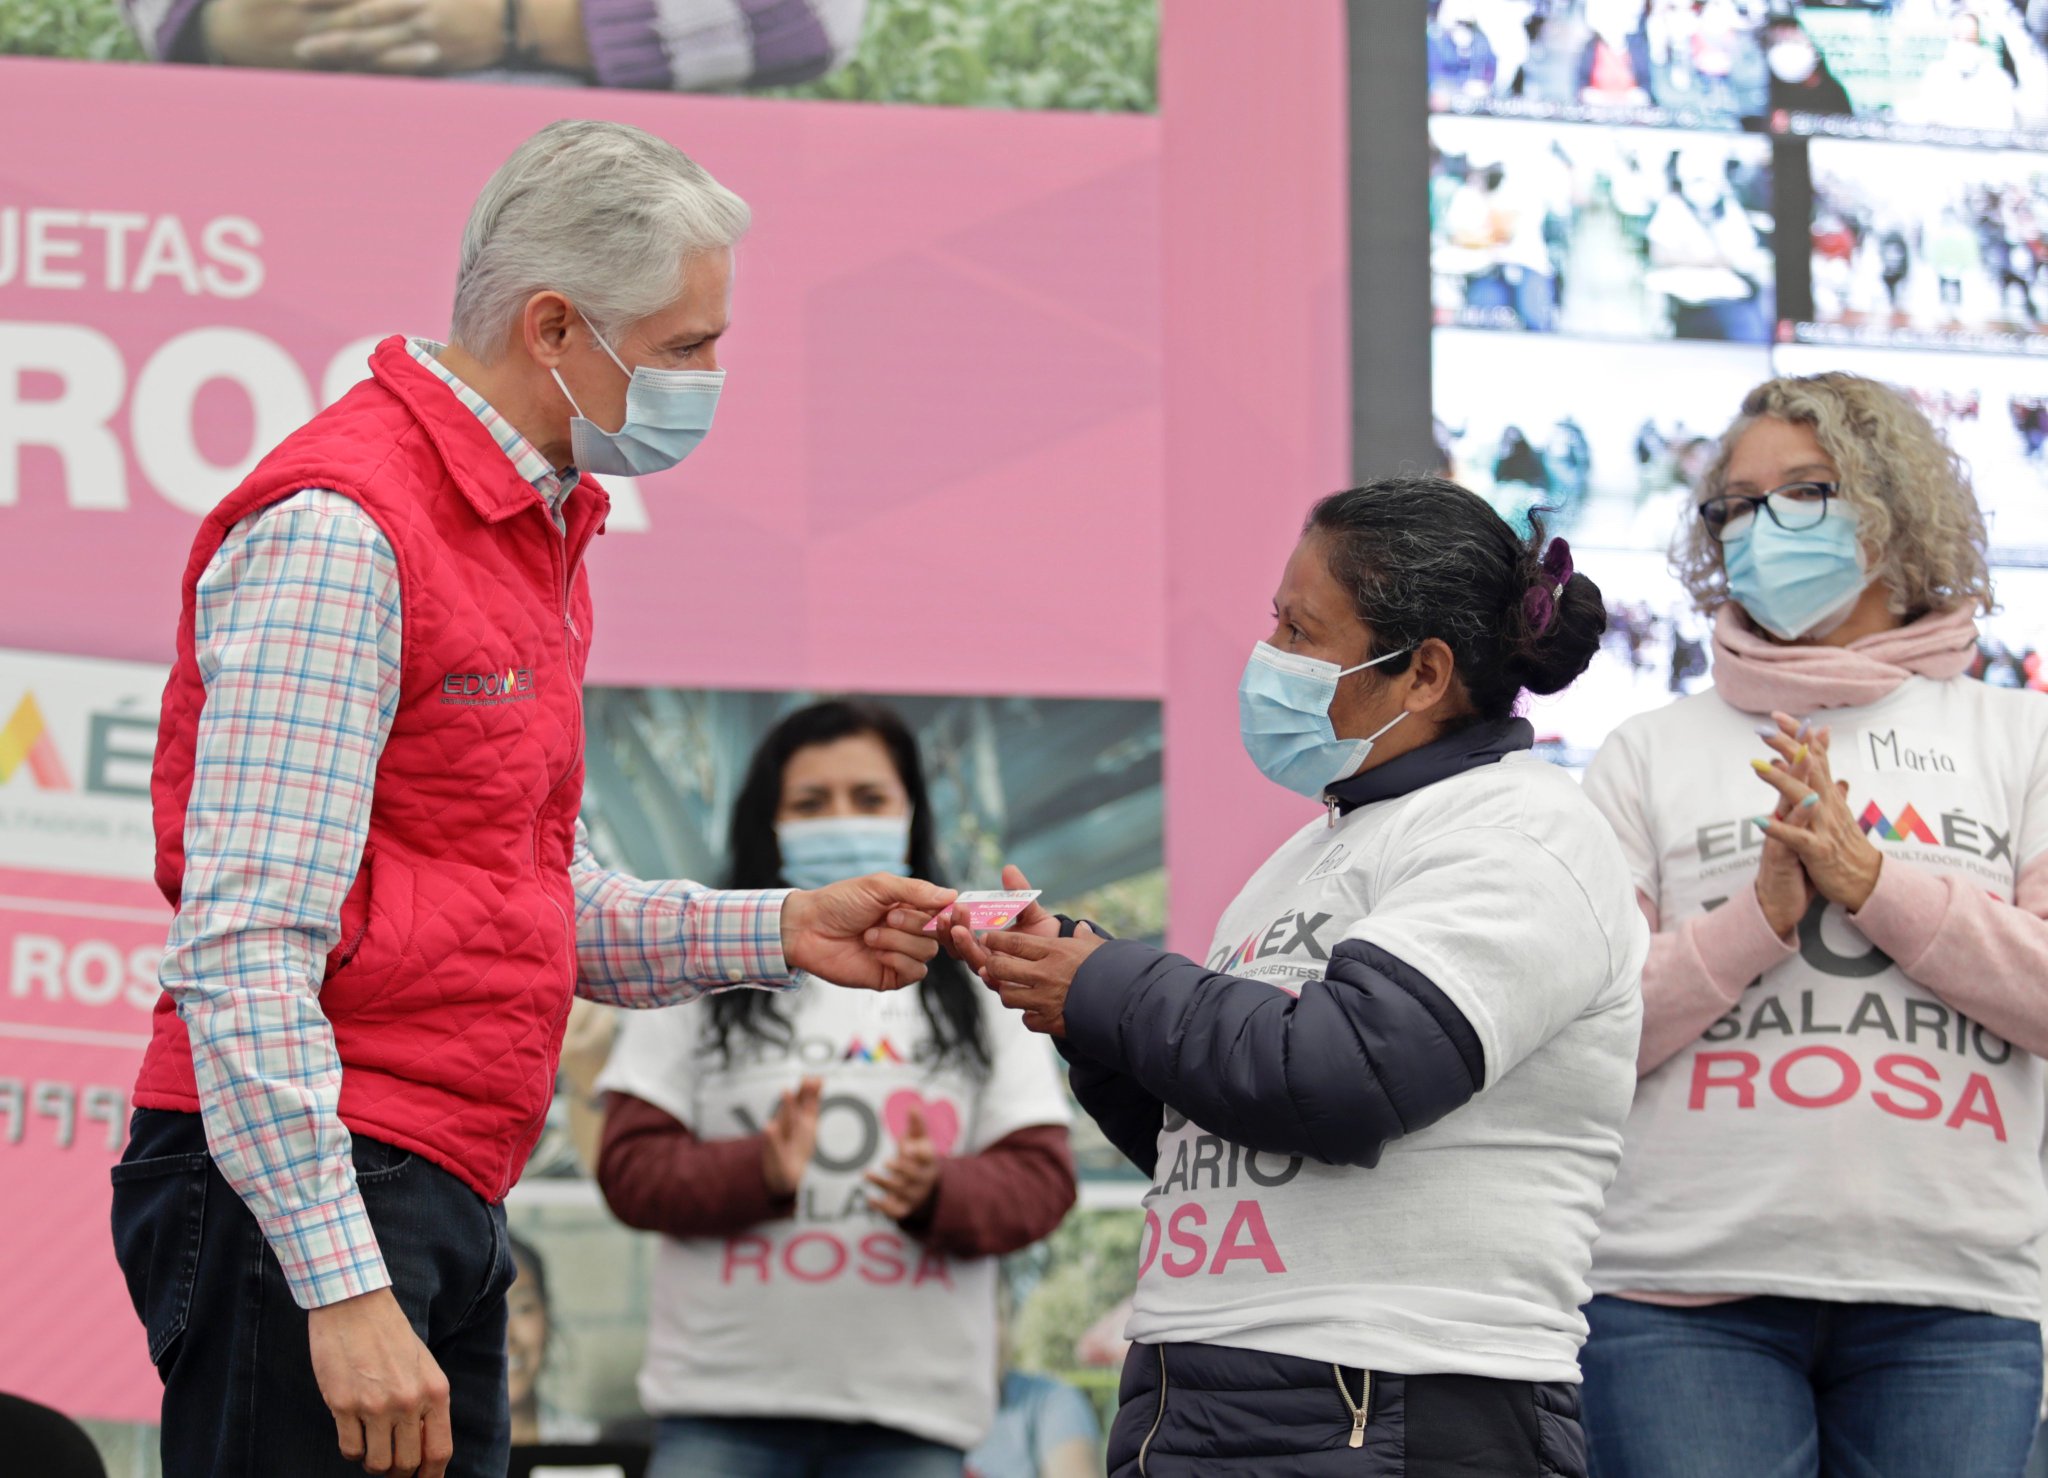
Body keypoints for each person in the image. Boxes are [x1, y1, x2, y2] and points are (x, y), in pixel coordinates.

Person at [109, 122, 956, 1478]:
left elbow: (532, 904)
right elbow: (245, 941)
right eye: (687, 347)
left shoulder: (526, 525)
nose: (711, 379)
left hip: (433, 1175)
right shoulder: (347, 527)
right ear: (555, 326)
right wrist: (341, 1283)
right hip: (325, 1181)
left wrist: (793, 926)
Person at [949, 478, 1649, 1476]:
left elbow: (1341, 1073)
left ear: (1421, 672)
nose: (1266, 652)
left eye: (1297, 626)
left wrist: (1106, 982)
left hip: (1385, 1397)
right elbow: (1216, 1133)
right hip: (1203, 1395)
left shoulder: (1519, 828)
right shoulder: (1309, 851)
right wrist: (1074, 997)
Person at [1577, 372, 2048, 1478]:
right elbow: (1586, 1033)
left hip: (1953, 1293)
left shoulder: (2018, 739)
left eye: (1802, 489)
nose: (1759, 525)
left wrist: (1873, 881)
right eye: (1734, 503)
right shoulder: (1645, 751)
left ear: (1890, 504)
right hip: (1674, 1298)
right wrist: (1758, 918)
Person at [596, 699, 1078, 1478]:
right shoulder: (706, 962)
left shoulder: (970, 974)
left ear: (911, 815)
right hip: (721, 1406)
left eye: (868, 799)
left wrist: (939, 1193)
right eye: (812, 803)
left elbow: (1043, 1180)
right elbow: (629, 1168)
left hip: (913, 1416)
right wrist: (758, 1172)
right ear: (768, 822)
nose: (842, 820)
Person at [119, 0, 863, 91]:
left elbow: (814, 17)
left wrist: (520, 25)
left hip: (600, 208)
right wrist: (212, 23)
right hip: (297, 177)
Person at [1646, 146, 1772, 341]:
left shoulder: (1728, 207)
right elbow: (1659, 254)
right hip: (1691, 302)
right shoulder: (1672, 206)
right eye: (1698, 179)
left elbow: (1744, 249)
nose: (1704, 186)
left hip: (1731, 298)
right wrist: (1706, 260)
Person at [1761, 15, 1855, 116]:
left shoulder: (1833, 92)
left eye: (1793, 41)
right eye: (1778, 42)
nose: (1788, 50)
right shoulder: (1767, 92)